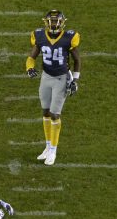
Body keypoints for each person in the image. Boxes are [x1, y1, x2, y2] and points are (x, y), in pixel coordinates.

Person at [26, 9, 81, 166]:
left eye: (57, 21)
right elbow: (31, 57)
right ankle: (48, 146)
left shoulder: (69, 38)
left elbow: (77, 60)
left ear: (62, 22)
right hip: (46, 76)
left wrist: (75, 80)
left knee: (55, 114)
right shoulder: (40, 36)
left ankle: (54, 150)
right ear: (47, 22)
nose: (54, 24)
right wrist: (29, 68)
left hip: (61, 78)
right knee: (45, 112)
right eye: (52, 21)